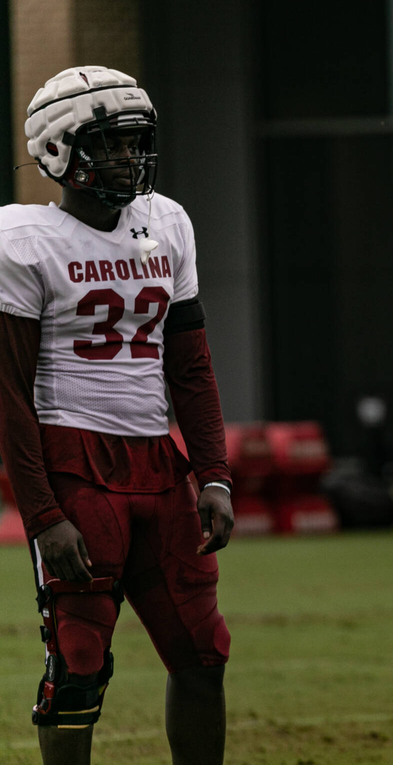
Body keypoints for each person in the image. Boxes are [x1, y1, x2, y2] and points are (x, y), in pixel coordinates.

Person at [0, 66, 234, 765]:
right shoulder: (23, 241)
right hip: (74, 463)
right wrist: (43, 515)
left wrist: (213, 474)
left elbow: (190, 365)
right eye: (109, 144)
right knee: (78, 664)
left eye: (134, 142)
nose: (129, 157)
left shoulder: (167, 223)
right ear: (58, 152)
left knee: (203, 651)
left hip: (159, 465)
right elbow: (9, 395)